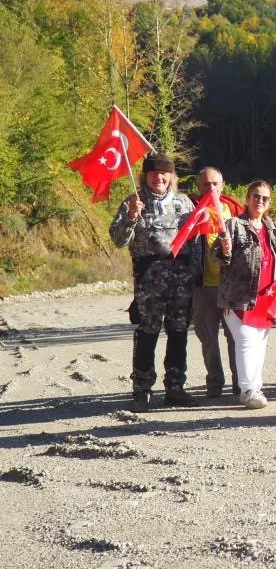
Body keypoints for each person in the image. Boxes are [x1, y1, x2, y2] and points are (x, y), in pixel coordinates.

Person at [109, 152, 199, 412]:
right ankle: (142, 389)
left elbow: (195, 241)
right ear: (145, 175)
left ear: (171, 176)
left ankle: (175, 387)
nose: (159, 177)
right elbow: (118, 239)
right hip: (150, 280)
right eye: (153, 173)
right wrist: (130, 218)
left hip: (180, 279)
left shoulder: (184, 204)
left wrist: (196, 271)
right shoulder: (133, 202)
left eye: (164, 173)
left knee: (179, 333)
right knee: (147, 334)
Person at [214, 180, 276, 409]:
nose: (260, 201)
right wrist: (223, 250)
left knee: (259, 344)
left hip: (267, 297)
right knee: (246, 341)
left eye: (265, 198)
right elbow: (218, 256)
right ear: (247, 198)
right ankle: (248, 388)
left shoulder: (272, 228)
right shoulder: (233, 225)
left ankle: (254, 387)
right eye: (256, 196)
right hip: (238, 297)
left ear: (269, 202)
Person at [190, 167, 243, 398]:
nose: (211, 188)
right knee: (208, 338)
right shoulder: (191, 209)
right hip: (202, 286)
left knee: (234, 337)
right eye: (206, 184)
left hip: (229, 286)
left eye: (215, 184)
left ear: (222, 185)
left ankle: (239, 383)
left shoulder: (234, 210)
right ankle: (214, 382)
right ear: (198, 187)